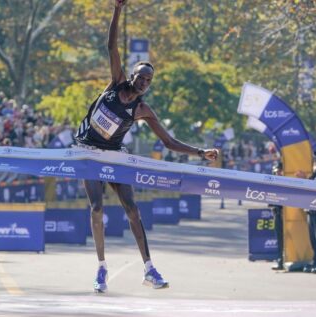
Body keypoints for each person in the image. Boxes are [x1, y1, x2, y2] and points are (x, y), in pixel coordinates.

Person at [74, 0, 218, 293]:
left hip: (114, 156)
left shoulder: (142, 109)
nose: (145, 83)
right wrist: (117, 10)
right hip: (88, 152)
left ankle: (149, 270)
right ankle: (101, 269)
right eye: (142, 77)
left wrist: (200, 153)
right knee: (97, 207)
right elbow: (111, 46)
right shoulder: (115, 84)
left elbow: (168, 141)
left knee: (132, 210)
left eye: (149, 81)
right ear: (132, 75)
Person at [269, 161, 284, 270]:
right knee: (279, 238)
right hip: (277, 213)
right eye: (276, 171)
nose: (278, 173)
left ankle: (284, 259)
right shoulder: (273, 184)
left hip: (286, 214)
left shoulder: (286, 182)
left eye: (279, 171)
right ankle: (280, 259)